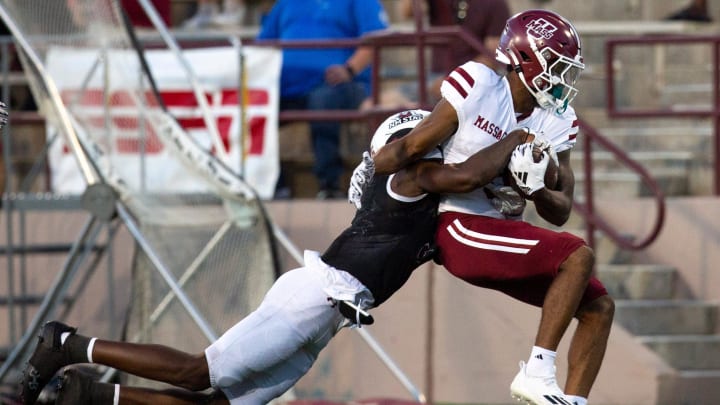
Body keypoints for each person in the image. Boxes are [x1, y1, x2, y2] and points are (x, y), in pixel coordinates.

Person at [19, 109, 535, 405]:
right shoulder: (409, 176)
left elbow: (477, 201)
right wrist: (514, 139)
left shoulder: (429, 200)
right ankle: (68, 343)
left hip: (328, 318)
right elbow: (465, 175)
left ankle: (86, 398)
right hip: (313, 298)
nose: (438, 147)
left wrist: (518, 183)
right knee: (200, 373)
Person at [349, 9, 615, 405]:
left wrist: (538, 189)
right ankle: (538, 374)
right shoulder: (479, 85)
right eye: (557, 67)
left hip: (502, 225)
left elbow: (560, 209)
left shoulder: (559, 119)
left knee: (598, 307)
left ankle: (572, 401)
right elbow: (414, 146)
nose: (562, 80)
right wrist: (375, 167)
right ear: (526, 60)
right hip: (458, 222)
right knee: (577, 256)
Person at [257, 0, 389, 200]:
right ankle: (273, 185)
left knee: (323, 100)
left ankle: (329, 186)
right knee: (255, 106)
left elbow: (375, 39)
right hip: (288, 87)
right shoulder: (286, 3)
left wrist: (349, 70)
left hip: (341, 84)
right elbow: (263, 44)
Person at [397, 0, 511, 102]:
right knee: (391, 100)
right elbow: (406, 12)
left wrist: (454, 81)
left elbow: (492, 56)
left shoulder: (496, 3)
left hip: (474, 83)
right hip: (436, 79)